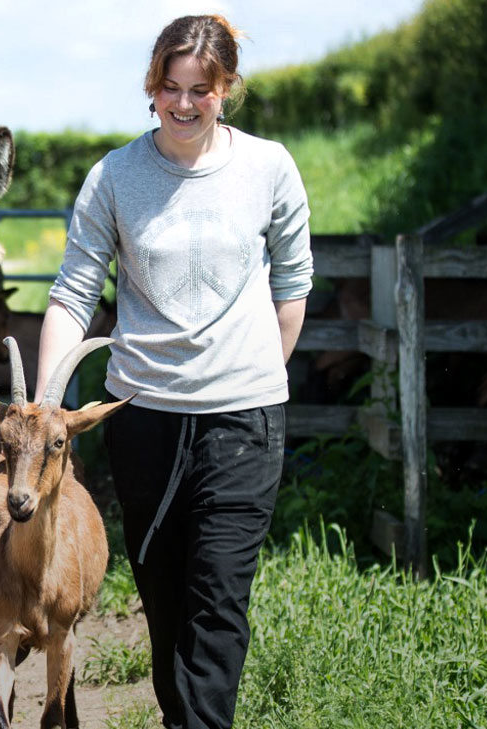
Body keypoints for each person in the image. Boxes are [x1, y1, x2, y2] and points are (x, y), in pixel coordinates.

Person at [35, 13, 311, 729]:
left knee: (216, 595)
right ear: (150, 87)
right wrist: (44, 405)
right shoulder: (115, 177)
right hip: (143, 416)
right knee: (162, 595)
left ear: (227, 90)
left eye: (201, 90)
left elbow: (293, 284)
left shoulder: (268, 168)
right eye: (169, 87)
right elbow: (72, 293)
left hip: (243, 417)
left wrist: (250, 375)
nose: (183, 104)